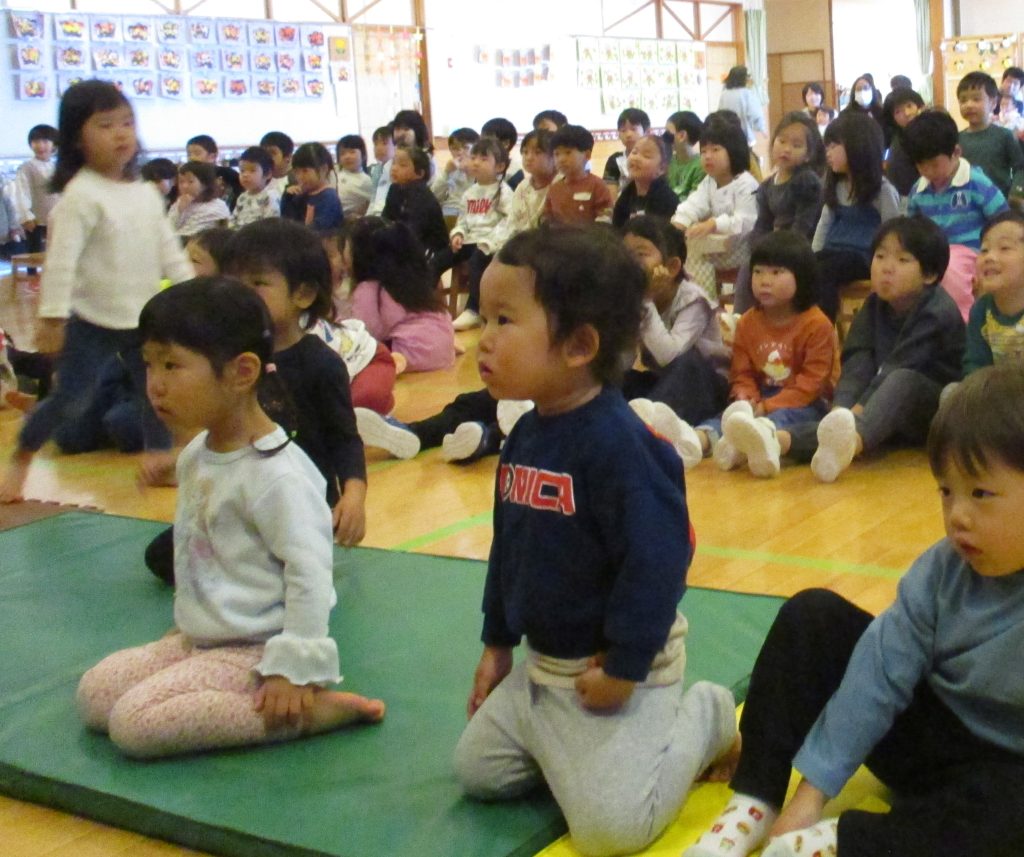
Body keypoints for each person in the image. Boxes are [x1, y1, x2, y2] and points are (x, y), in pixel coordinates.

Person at [453, 224, 737, 857]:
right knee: (477, 773)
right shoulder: (527, 435)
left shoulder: (622, 448)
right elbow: (509, 548)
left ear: (580, 345)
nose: (483, 338)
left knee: (611, 834)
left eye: (504, 320)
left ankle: (707, 717)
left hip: (614, 674)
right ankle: (566, 749)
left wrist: (625, 667)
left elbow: (657, 567)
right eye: (485, 317)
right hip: (544, 671)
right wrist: (497, 644)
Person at [684, 360, 1024, 857]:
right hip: (926, 740)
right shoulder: (941, 570)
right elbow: (880, 672)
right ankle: (754, 801)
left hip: (1002, 774)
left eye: (980, 494)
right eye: (946, 492)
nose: (957, 516)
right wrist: (811, 795)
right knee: (813, 616)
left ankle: (841, 843)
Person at [77, 278, 385, 758]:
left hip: (257, 648)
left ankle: (306, 715)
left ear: (241, 373)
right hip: (202, 639)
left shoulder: (278, 476)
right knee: (95, 695)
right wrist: (190, 624)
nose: (155, 384)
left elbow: (310, 576)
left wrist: (292, 668)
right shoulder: (197, 454)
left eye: (172, 365)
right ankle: (205, 672)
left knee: (132, 724)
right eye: (149, 364)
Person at [0, 81, 193, 504]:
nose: (121, 134)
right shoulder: (80, 195)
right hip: (92, 320)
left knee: (156, 393)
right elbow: (61, 262)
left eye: (126, 123)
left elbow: (168, 250)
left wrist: (194, 295)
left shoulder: (144, 193)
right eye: (105, 126)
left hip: (144, 317)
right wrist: (52, 318)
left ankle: (160, 458)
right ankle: (22, 455)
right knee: (70, 399)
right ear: (76, 139)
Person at [762, 216, 964, 483]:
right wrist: (841, 410)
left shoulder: (937, 311)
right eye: (880, 257)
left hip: (932, 413)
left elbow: (900, 366)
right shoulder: (874, 305)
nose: (886, 268)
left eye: (902, 260)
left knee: (902, 380)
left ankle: (849, 444)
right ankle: (778, 441)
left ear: (929, 275)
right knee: (858, 378)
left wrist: (857, 409)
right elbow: (857, 361)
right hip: (882, 413)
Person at [684, 230, 836, 478]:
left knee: (783, 418)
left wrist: (766, 407)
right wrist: (748, 399)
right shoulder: (747, 322)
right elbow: (741, 373)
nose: (765, 280)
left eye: (776, 272)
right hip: (762, 396)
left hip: (806, 402)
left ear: (802, 277)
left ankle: (744, 445)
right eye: (758, 272)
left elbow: (812, 383)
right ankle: (695, 440)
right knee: (729, 416)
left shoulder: (817, 324)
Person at [620, 215, 729, 446]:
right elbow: (624, 359)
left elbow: (668, 356)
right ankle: (622, 425)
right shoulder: (633, 298)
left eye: (640, 255)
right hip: (666, 384)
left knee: (686, 362)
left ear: (671, 267)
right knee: (623, 378)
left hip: (706, 386)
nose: (630, 264)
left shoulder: (693, 299)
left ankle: (645, 430)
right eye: (625, 255)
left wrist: (646, 302)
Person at [904, 109, 1008, 319]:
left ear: (956, 152)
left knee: (950, 268)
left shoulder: (976, 183)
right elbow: (911, 228)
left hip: (970, 253)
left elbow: (1003, 221)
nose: (928, 172)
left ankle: (962, 322)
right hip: (933, 253)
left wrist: (992, 254)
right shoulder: (919, 190)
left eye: (934, 164)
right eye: (921, 166)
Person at [812, 110, 900, 320]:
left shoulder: (882, 190)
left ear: (858, 147)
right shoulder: (837, 186)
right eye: (827, 147)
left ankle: (823, 324)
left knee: (828, 270)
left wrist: (886, 265)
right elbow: (824, 224)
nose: (828, 153)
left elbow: (893, 229)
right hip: (833, 251)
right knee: (807, 265)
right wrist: (813, 254)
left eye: (834, 146)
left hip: (863, 256)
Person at [733, 111, 825, 312]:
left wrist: (777, 248)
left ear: (808, 154)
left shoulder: (807, 182)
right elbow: (762, 225)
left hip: (800, 248)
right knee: (751, 264)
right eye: (782, 141)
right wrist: (760, 248)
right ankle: (745, 320)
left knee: (756, 268)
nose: (786, 149)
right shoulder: (767, 186)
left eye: (796, 145)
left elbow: (803, 227)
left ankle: (750, 317)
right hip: (775, 246)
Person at [347, 217, 455, 373]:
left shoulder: (369, 290)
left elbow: (365, 333)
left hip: (407, 353)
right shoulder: (411, 281)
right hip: (443, 348)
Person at [671, 114, 760, 298]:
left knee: (694, 254)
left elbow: (746, 221)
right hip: (718, 247)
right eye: (703, 151)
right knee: (688, 245)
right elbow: (693, 204)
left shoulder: (745, 183)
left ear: (734, 151)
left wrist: (714, 224)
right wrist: (677, 224)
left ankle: (704, 304)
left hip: (742, 248)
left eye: (715, 150)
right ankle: (696, 300)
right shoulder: (709, 182)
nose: (708, 156)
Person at [434, 137, 514, 331]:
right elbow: (463, 220)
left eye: (484, 159)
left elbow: (509, 222)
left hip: (490, 245)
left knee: (477, 261)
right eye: (473, 157)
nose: (476, 162)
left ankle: (473, 310)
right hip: (469, 241)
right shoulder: (470, 193)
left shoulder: (504, 192)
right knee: (438, 260)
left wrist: (490, 242)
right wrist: (458, 234)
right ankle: (427, 308)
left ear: (500, 166)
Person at [963, 211, 1024, 374]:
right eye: (984, 250)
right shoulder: (981, 310)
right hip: (997, 388)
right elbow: (975, 365)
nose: (989, 257)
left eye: (1004, 248)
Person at [956, 71, 1024, 199]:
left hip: (1000, 201)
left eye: (976, 99)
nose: (969, 105)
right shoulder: (958, 139)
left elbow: (1020, 167)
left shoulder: (1004, 135)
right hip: (969, 202)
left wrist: (1016, 192)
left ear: (993, 103)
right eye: (963, 100)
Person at [382, 144, 450, 256]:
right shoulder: (394, 189)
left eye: (402, 165)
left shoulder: (421, 194)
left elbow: (414, 231)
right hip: (406, 243)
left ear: (420, 173)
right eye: (393, 163)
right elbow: (386, 219)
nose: (394, 168)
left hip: (430, 249)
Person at [543, 124, 613, 224]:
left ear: (587, 155)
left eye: (568, 152)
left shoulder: (597, 186)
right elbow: (547, 218)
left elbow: (605, 218)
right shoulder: (554, 189)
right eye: (556, 154)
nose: (561, 159)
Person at [499, 128, 556, 246]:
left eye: (538, 152)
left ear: (555, 156)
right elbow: (512, 222)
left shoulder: (560, 186)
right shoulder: (523, 186)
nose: (529, 157)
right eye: (525, 152)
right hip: (520, 244)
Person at [611, 134, 680, 227]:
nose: (636, 158)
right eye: (634, 152)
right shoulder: (627, 194)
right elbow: (617, 226)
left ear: (661, 169)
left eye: (646, 156)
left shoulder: (667, 199)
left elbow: (663, 232)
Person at [13, 124, 60, 255]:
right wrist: (26, 216)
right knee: (35, 253)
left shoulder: (57, 167)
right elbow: (21, 193)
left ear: (54, 145)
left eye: (45, 141)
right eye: (36, 141)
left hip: (57, 219)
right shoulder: (27, 167)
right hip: (36, 221)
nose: (40, 146)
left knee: (57, 252)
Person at [281, 142, 343, 232]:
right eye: (297, 171)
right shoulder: (300, 194)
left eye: (305, 171)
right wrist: (287, 198)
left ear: (324, 169)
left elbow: (320, 228)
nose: (300, 176)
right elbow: (286, 221)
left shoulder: (329, 197)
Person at [881, 88, 925, 204]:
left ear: (919, 105)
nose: (906, 113)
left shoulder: (925, 134)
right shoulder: (897, 137)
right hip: (898, 198)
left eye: (909, 106)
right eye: (898, 112)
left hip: (920, 198)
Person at [167, 162, 230, 238]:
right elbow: (166, 229)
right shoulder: (180, 203)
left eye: (190, 181)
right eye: (181, 181)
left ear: (205, 184)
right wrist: (179, 210)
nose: (184, 186)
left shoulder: (217, 207)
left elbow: (191, 236)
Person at [230, 146, 281, 229]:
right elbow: (232, 222)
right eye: (242, 171)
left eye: (252, 170)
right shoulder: (242, 197)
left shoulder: (270, 196)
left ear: (268, 174)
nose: (245, 175)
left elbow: (271, 225)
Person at [603, 107, 651, 193]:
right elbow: (610, 194)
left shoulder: (655, 158)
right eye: (623, 130)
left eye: (633, 129)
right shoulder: (614, 160)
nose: (628, 134)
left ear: (647, 132)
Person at [430, 127, 479, 207]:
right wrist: (446, 173)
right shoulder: (450, 169)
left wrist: (469, 171)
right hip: (449, 209)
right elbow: (434, 197)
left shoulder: (482, 170)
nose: (460, 152)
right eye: (455, 148)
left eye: (465, 147)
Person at [718, 65, 767, 146]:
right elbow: (755, 113)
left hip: (726, 135)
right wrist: (761, 128)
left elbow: (720, 113)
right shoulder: (747, 94)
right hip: (743, 135)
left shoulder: (724, 94)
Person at [664, 110, 706, 201]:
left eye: (667, 133)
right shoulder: (668, 161)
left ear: (682, 136)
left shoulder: (701, 166)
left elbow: (694, 201)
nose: (664, 138)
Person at [331, 134, 373, 219]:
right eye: (342, 153)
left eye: (352, 152)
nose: (347, 157)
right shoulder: (335, 174)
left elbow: (371, 203)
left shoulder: (366, 180)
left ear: (363, 156)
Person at [481, 117, 524, 189]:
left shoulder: (514, 173)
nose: (482, 145)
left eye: (488, 141)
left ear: (506, 143)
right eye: (482, 140)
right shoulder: (480, 166)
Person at [841, 74, 885, 141]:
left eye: (866, 88)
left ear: (872, 90)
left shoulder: (881, 112)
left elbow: (886, 137)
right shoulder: (845, 114)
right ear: (854, 93)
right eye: (858, 89)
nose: (862, 91)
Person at [366, 124, 395, 215]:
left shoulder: (396, 168)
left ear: (396, 146)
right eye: (376, 144)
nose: (378, 148)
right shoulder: (377, 169)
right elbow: (373, 199)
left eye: (384, 143)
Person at [259, 130, 295, 198]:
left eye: (272, 153)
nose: (267, 157)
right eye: (263, 152)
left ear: (288, 157)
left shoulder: (297, 180)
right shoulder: (258, 180)